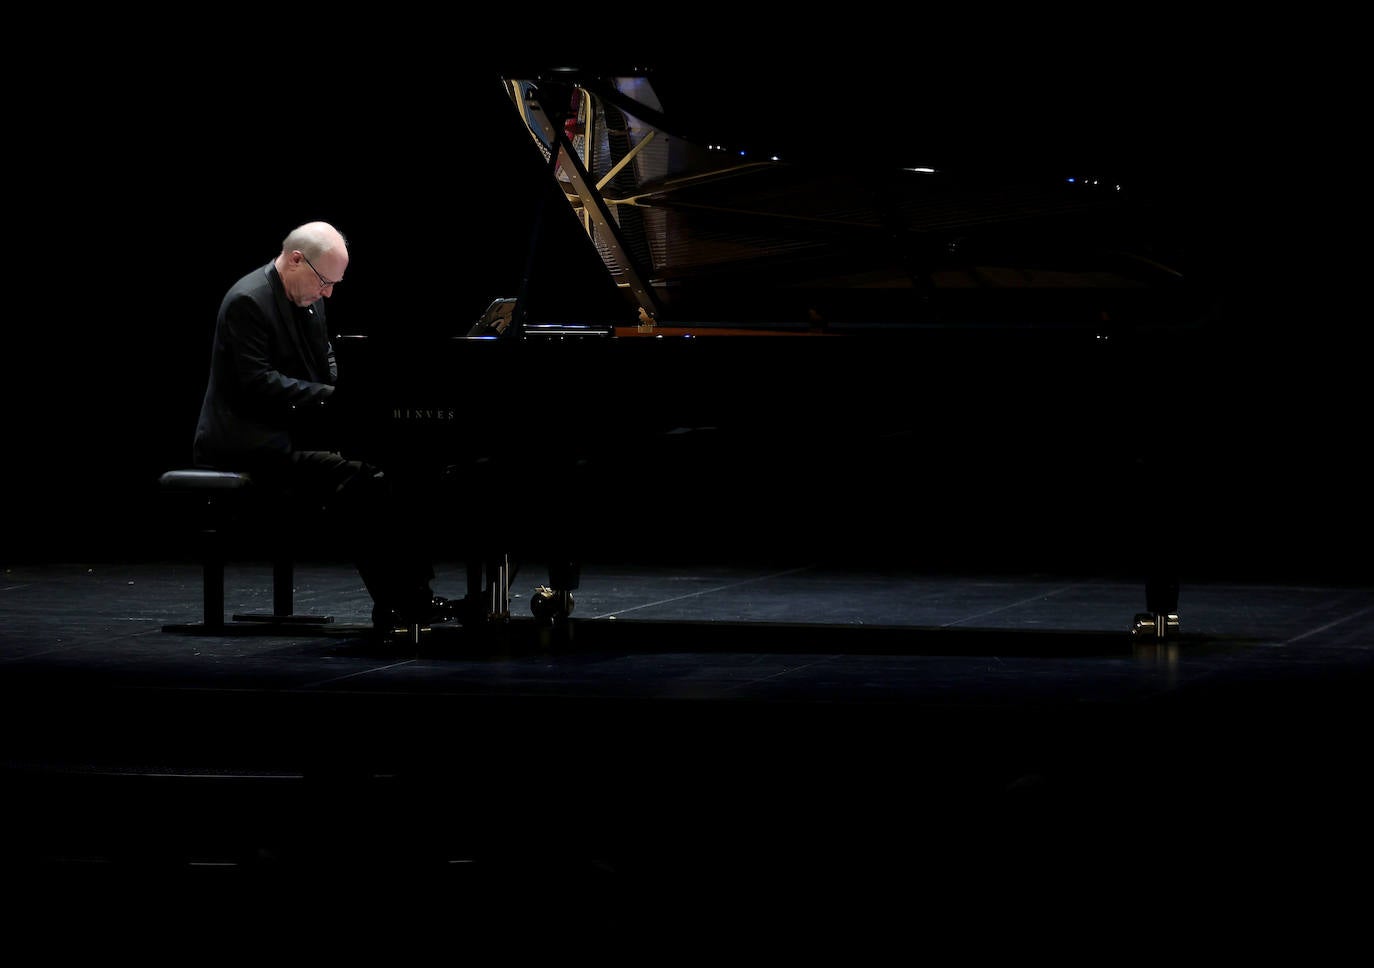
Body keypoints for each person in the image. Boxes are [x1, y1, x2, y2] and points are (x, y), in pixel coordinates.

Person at [192, 220, 449, 633]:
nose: (328, 291)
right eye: (325, 281)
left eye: (333, 284)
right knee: (359, 478)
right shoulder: (247, 302)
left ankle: (413, 594)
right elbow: (257, 383)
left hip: (290, 430)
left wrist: (342, 390)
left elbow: (325, 355)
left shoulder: (309, 298)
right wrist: (333, 398)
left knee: (386, 473)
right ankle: (401, 601)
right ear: (296, 260)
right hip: (245, 440)